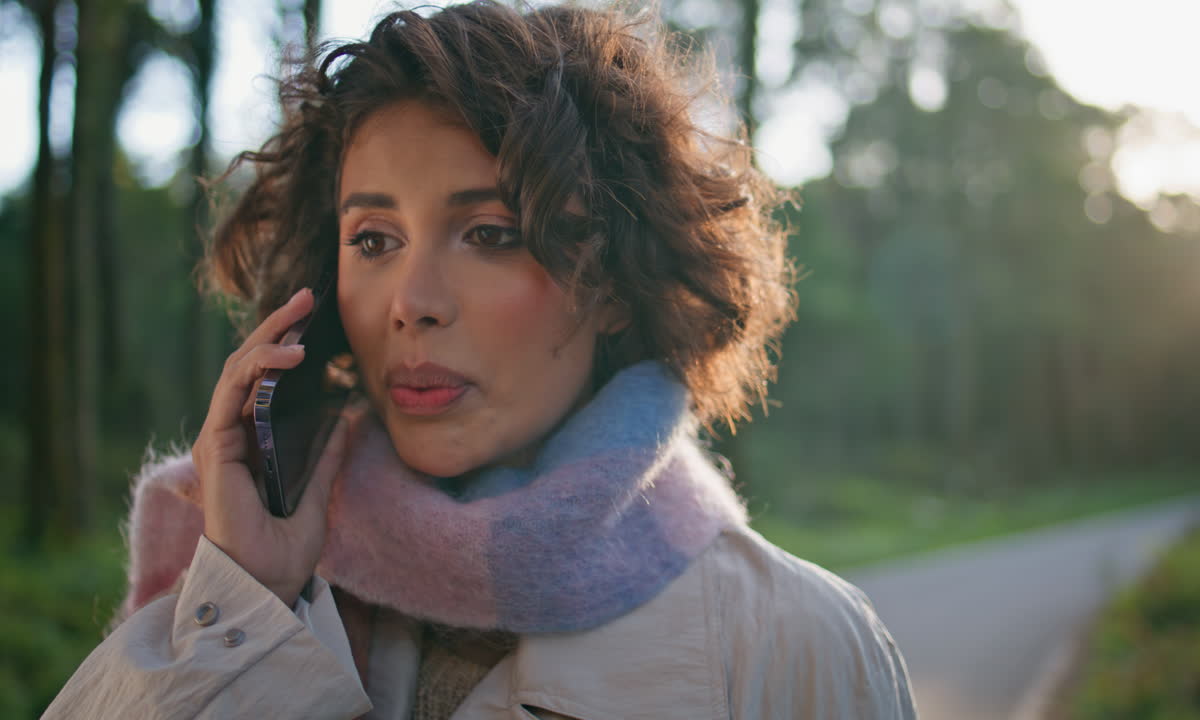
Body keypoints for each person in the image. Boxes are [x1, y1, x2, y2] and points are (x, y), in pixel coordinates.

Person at [44, 1, 916, 718]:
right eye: (374, 239)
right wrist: (245, 602)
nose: (410, 300)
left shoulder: (794, 643)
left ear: (612, 280)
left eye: (490, 233)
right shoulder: (245, 576)